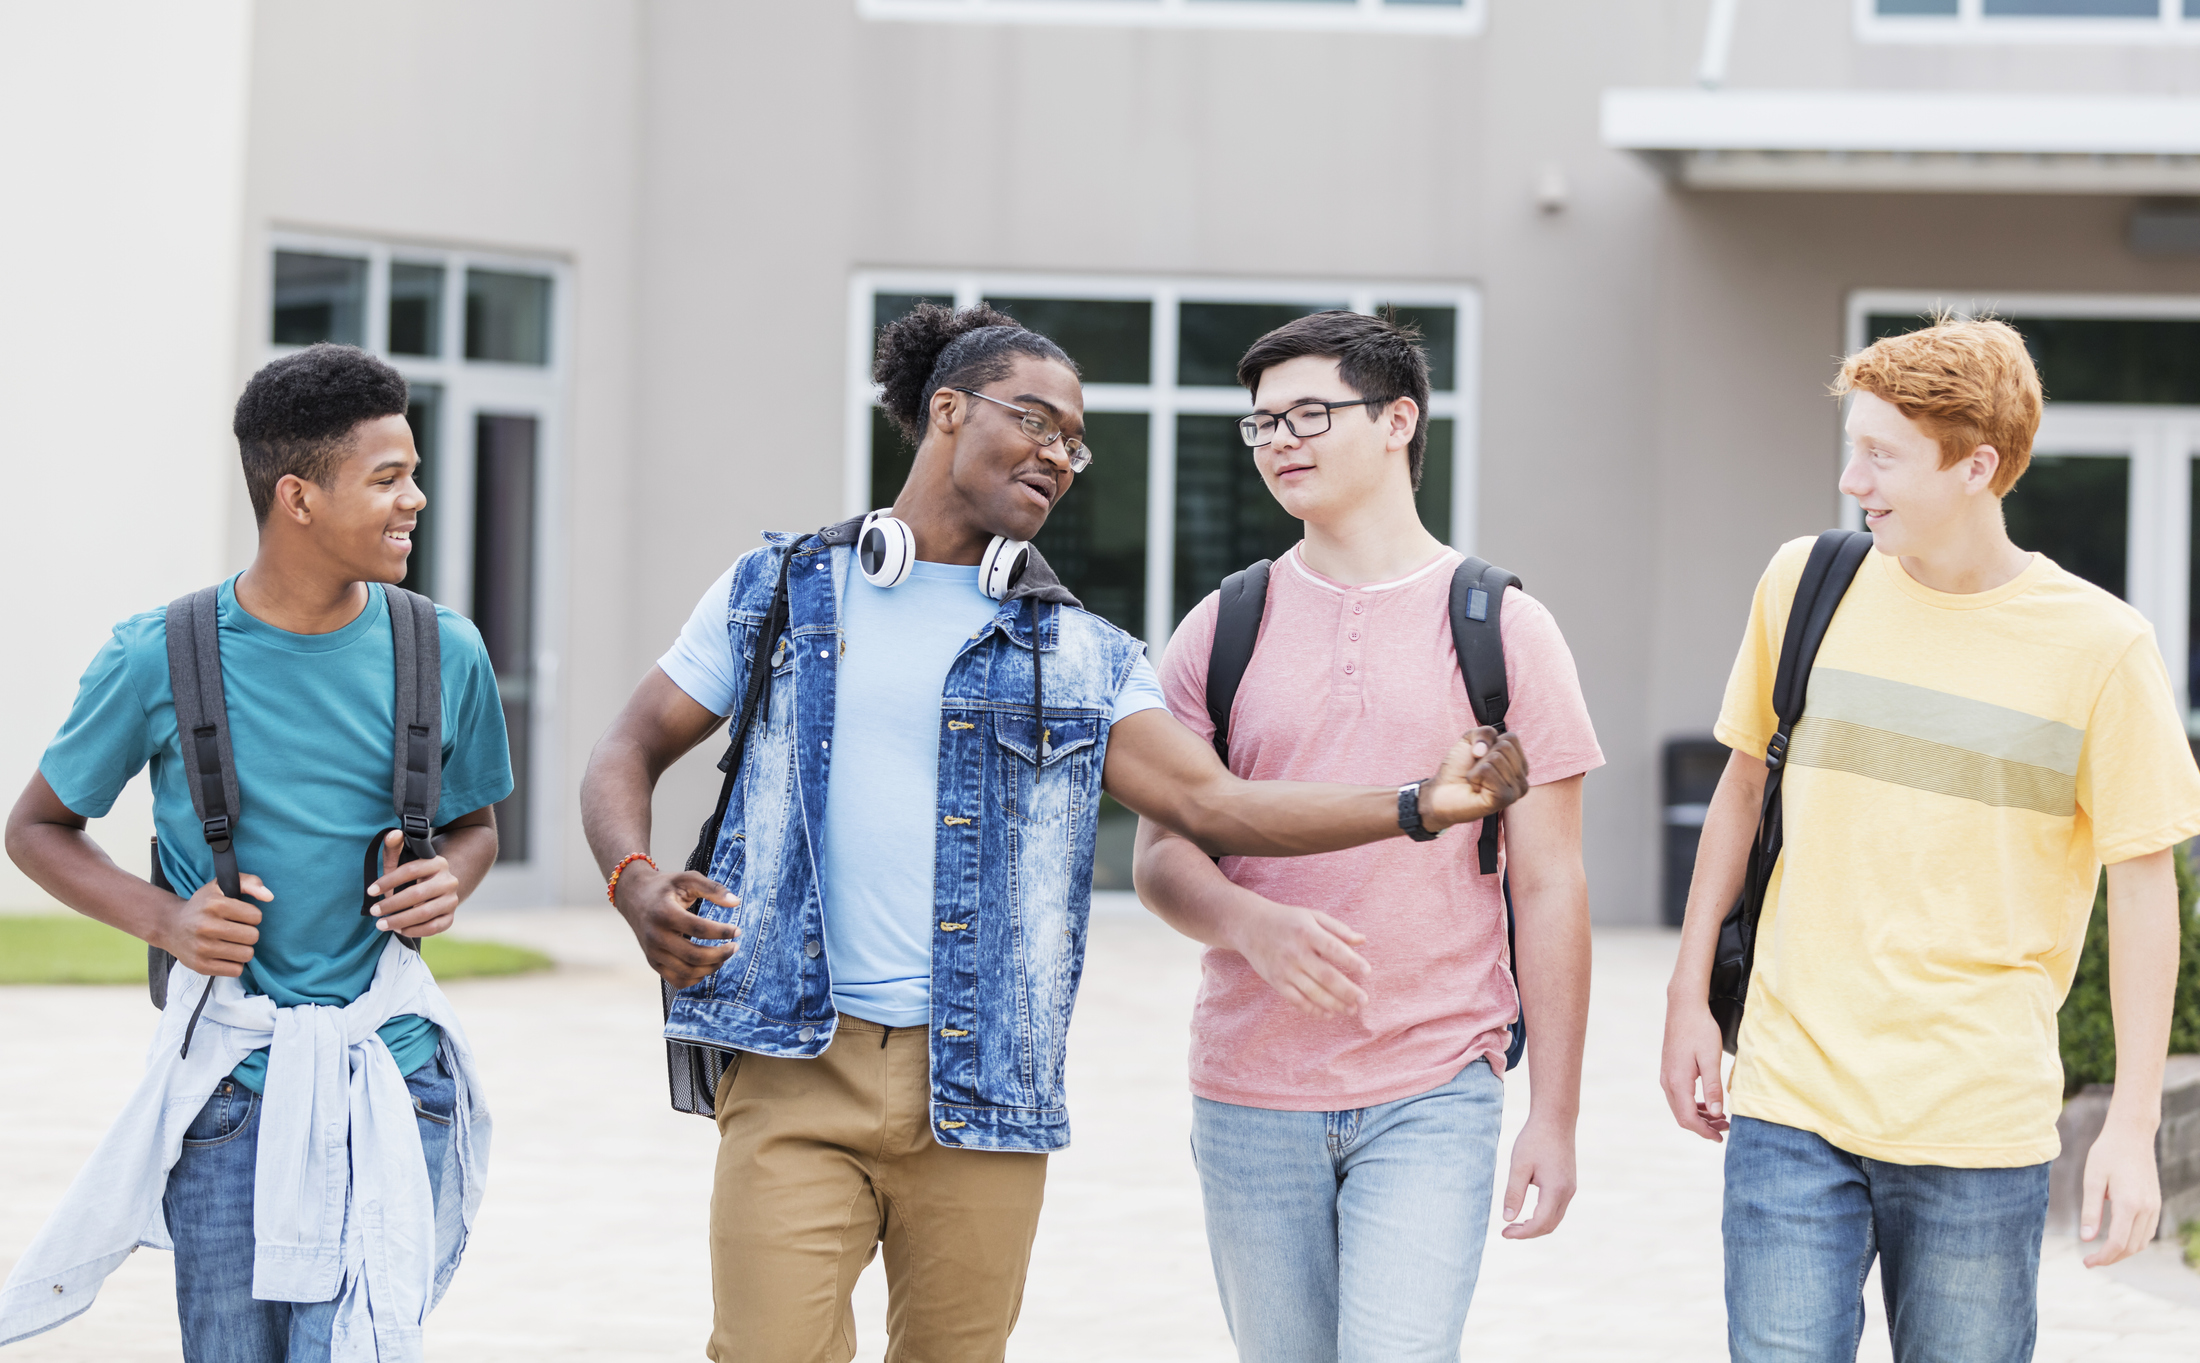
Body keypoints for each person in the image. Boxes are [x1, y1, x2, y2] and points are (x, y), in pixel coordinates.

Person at [579, 302, 1531, 1363]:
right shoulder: (781, 592)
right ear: (946, 408)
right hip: (797, 1062)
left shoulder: (1083, 657)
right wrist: (632, 878)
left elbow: (1213, 805)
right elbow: (626, 749)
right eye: (1034, 421)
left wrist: (1415, 805)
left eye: (1074, 441)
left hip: (982, 1087)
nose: (1059, 456)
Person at [1659, 317, 2200, 1362]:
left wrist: (2132, 1126)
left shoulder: (2099, 648)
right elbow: (1739, 789)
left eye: (1882, 455)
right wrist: (1688, 994)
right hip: (1789, 1095)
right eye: (1852, 444)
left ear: (1977, 466)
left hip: (1975, 1121)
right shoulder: (1805, 584)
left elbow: (2143, 889)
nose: (1853, 479)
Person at [0, 344, 511, 1362]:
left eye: (412, 471)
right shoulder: (159, 653)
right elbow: (36, 827)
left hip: (393, 1079)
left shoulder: (444, 650)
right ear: (298, 498)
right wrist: (166, 921)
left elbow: (476, 824)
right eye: (388, 476)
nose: (416, 497)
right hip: (228, 1093)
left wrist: (450, 874)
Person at [1130, 310, 1601, 1362]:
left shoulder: (1503, 628)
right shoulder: (1223, 625)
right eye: (1260, 425)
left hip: (1434, 1081)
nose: (1280, 442)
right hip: (1250, 1090)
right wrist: (1251, 925)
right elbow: (1161, 856)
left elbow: (1551, 886)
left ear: (1398, 419)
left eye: (1308, 413)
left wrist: (1553, 1115)